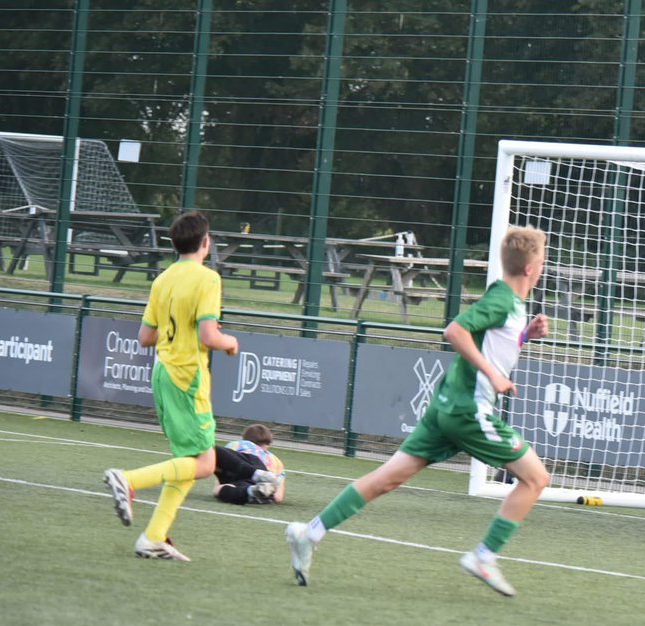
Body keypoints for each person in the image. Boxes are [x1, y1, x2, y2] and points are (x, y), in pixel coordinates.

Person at [283, 226, 552, 595]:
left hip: (446, 406)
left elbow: (492, 341)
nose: (542, 267)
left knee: (387, 479)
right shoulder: (503, 300)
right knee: (536, 479)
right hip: (467, 410)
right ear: (530, 268)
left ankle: (308, 532)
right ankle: (484, 556)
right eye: (541, 261)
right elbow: (455, 331)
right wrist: (493, 375)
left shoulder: (511, 304)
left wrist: (526, 336)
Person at [102, 211, 239, 562]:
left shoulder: (162, 280)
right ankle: (129, 480)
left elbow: (145, 337)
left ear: (174, 244)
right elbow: (210, 335)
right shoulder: (208, 279)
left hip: (162, 374)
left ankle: (153, 536)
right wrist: (229, 342)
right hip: (187, 377)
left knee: (188, 461)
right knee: (206, 464)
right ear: (206, 243)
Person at [212, 423, 285, 505]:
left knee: (219, 489)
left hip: (243, 468)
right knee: (237, 488)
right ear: (268, 444)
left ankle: (249, 491)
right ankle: (250, 491)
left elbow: (225, 460)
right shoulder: (276, 461)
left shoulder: (239, 444)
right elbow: (278, 497)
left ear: (244, 438)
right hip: (262, 476)